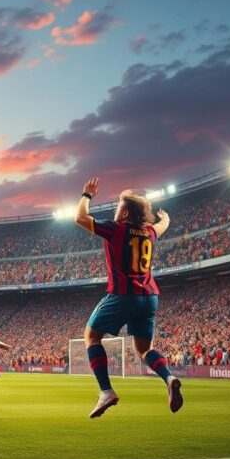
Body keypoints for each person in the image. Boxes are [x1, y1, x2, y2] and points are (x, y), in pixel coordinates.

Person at [73, 178, 182, 418]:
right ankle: (169, 377)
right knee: (144, 349)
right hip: (150, 296)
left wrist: (87, 195)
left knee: (91, 336)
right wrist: (165, 218)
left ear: (124, 212)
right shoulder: (151, 232)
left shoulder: (116, 229)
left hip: (123, 294)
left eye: (118, 206)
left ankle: (106, 391)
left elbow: (80, 218)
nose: (115, 210)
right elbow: (162, 225)